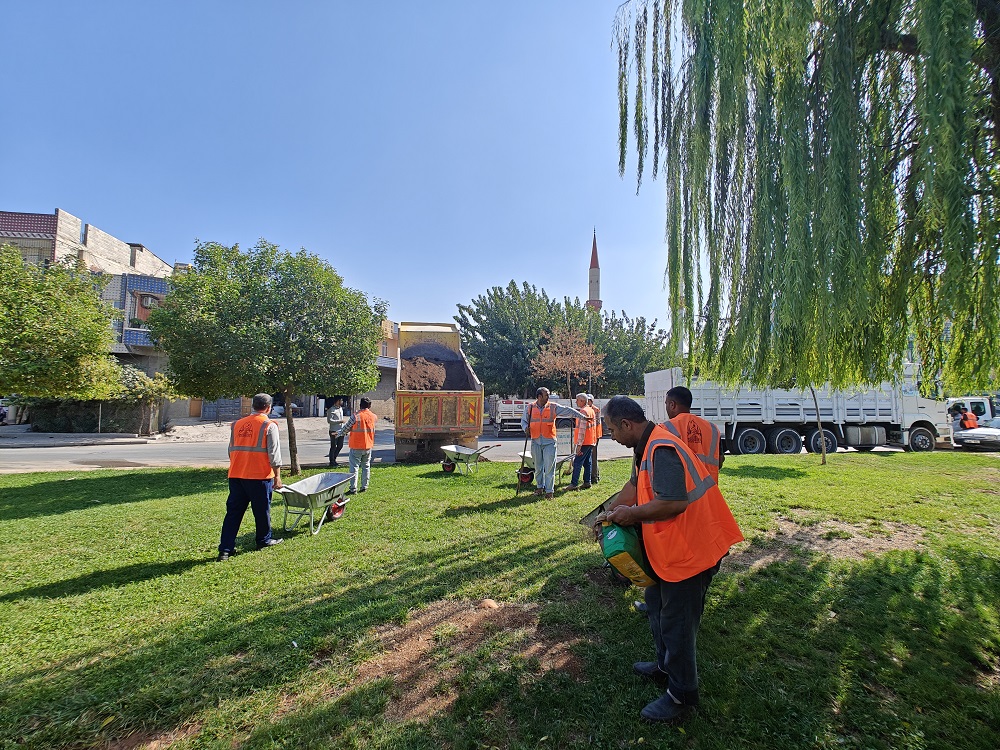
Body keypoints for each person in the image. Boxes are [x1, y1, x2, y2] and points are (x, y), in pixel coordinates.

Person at [601, 396, 743, 723]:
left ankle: (682, 696)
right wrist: (608, 513)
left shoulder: (661, 448)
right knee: (656, 604)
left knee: (677, 625)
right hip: (674, 551)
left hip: (694, 551)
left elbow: (673, 503)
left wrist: (630, 514)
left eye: (611, 429)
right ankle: (665, 666)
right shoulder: (646, 446)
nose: (611, 436)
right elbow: (634, 487)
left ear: (627, 424)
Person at [217, 393, 284, 562]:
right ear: (269, 408)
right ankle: (264, 540)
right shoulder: (269, 425)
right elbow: (274, 454)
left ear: (253, 406)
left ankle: (225, 550)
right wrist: (277, 476)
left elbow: (231, 450)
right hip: (259, 476)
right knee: (262, 511)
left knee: (233, 513)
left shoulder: (236, 424)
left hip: (236, 475)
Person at [519, 387, 587, 498]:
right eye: (546, 395)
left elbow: (568, 410)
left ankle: (549, 491)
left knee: (549, 468)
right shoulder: (530, 408)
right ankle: (539, 488)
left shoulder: (553, 407)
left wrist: (582, 416)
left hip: (549, 442)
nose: (548, 397)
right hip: (535, 441)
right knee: (538, 467)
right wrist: (525, 428)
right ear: (539, 397)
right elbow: (523, 421)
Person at [662, 386, 724, 482]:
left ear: (672, 405)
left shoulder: (664, 429)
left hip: (681, 490)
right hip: (709, 489)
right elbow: (719, 461)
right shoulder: (713, 429)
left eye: (666, 404)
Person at [336, 397, 376, 494]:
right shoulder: (373, 416)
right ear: (369, 406)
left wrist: (338, 433)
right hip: (368, 445)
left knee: (354, 467)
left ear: (360, 405)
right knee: (366, 466)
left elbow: (346, 428)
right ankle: (364, 486)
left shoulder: (356, 416)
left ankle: (353, 488)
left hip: (356, 445)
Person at [567, 393, 598, 490]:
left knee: (577, 462)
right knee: (587, 462)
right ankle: (587, 482)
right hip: (590, 441)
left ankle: (574, 484)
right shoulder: (590, 410)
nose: (576, 402)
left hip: (584, 442)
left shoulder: (583, 411)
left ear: (582, 401)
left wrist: (579, 445)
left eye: (577, 400)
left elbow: (582, 430)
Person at [326, 397, 347, 467]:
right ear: (338, 401)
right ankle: (332, 461)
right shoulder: (331, 409)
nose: (342, 401)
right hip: (334, 430)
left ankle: (334, 459)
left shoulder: (340, 409)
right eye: (341, 400)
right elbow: (329, 421)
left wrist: (344, 430)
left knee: (340, 445)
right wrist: (339, 421)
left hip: (341, 430)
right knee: (333, 446)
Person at [587, 394, 602, 484]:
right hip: (590, 436)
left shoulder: (595, 410)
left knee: (593, 456)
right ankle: (594, 475)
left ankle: (594, 476)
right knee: (590, 456)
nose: (587, 402)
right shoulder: (587, 409)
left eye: (588, 400)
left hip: (594, 436)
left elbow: (595, 423)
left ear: (591, 401)